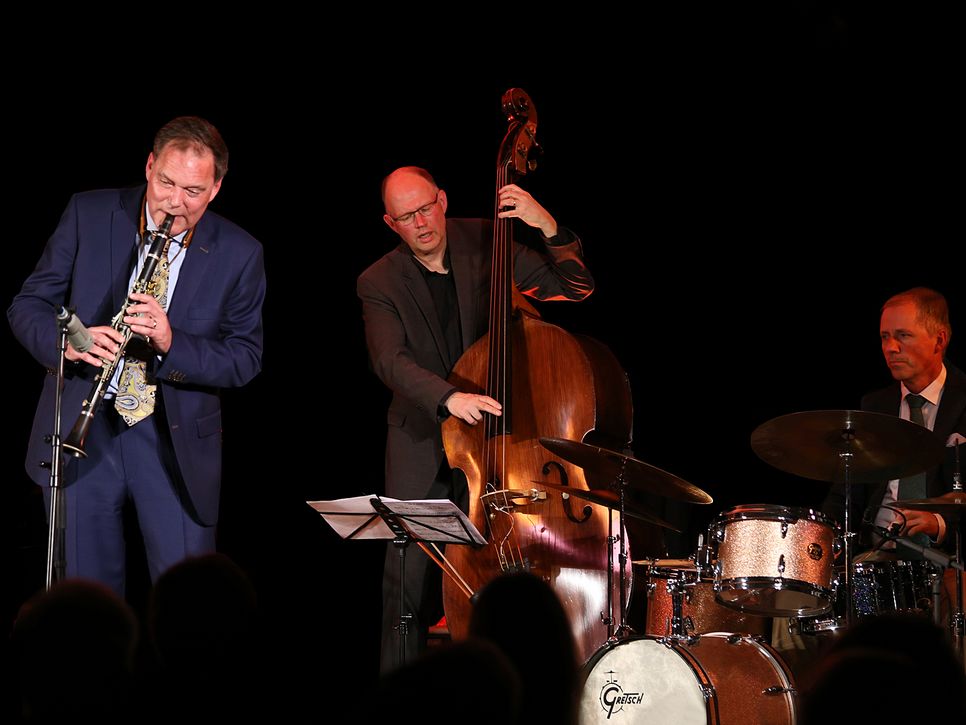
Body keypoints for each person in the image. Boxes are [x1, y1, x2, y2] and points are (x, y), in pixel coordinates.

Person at [7, 116, 266, 599]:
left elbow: (244, 358)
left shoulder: (240, 252)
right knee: (86, 598)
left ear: (216, 189)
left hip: (172, 441)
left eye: (193, 190)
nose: (174, 202)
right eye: (166, 182)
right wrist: (68, 343)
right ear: (149, 166)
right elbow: (28, 305)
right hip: (84, 428)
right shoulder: (89, 212)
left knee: (188, 599)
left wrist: (171, 341)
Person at [357, 166, 593, 672]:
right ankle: (398, 690)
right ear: (390, 223)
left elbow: (575, 288)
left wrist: (545, 223)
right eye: (406, 217)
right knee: (407, 579)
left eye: (425, 208)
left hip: (500, 440)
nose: (420, 223)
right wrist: (449, 398)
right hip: (422, 438)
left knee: (501, 570)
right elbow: (388, 360)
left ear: (442, 200)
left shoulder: (488, 241)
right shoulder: (377, 280)